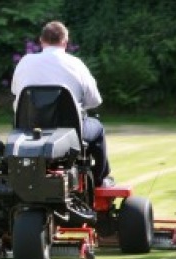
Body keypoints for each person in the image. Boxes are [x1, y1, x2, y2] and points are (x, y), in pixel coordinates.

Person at [11, 21, 113, 187]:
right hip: (71, 132)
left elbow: (16, 93)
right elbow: (95, 100)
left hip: (28, 130)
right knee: (97, 128)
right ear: (65, 42)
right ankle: (99, 179)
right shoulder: (76, 64)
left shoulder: (25, 62)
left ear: (41, 41)